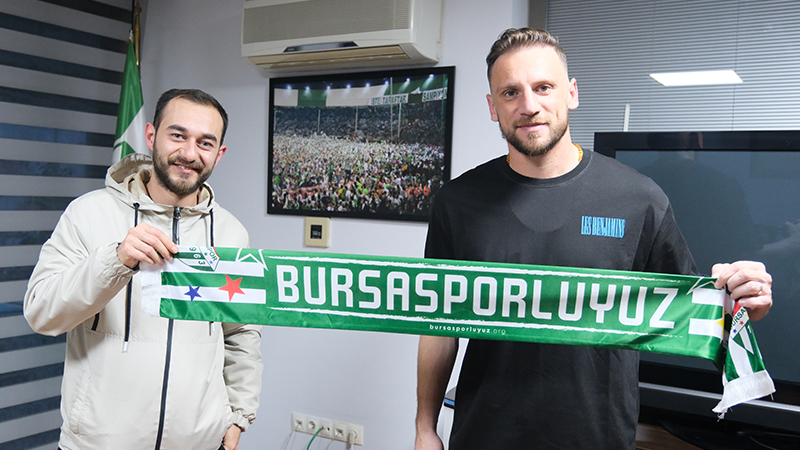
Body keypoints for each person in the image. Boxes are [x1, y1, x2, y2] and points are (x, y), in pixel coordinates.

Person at [414, 28, 773, 450]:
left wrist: (744, 302)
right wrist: (425, 427)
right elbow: (438, 327)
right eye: (511, 93)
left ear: (571, 93)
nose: (529, 106)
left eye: (543, 87)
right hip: (483, 436)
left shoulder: (638, 198)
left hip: (597, 438)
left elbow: (697, 317)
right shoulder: (458, 202)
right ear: (494, 107)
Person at [24, 89, 262, 450]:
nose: (189, 153)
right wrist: (116, 260)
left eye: (205, 142)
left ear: (219, 153)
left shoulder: (232, 233)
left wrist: (239, 415)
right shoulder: (88, 213)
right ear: (151, 136)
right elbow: (42, 314)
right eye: (177, 135)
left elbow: (241, 333)